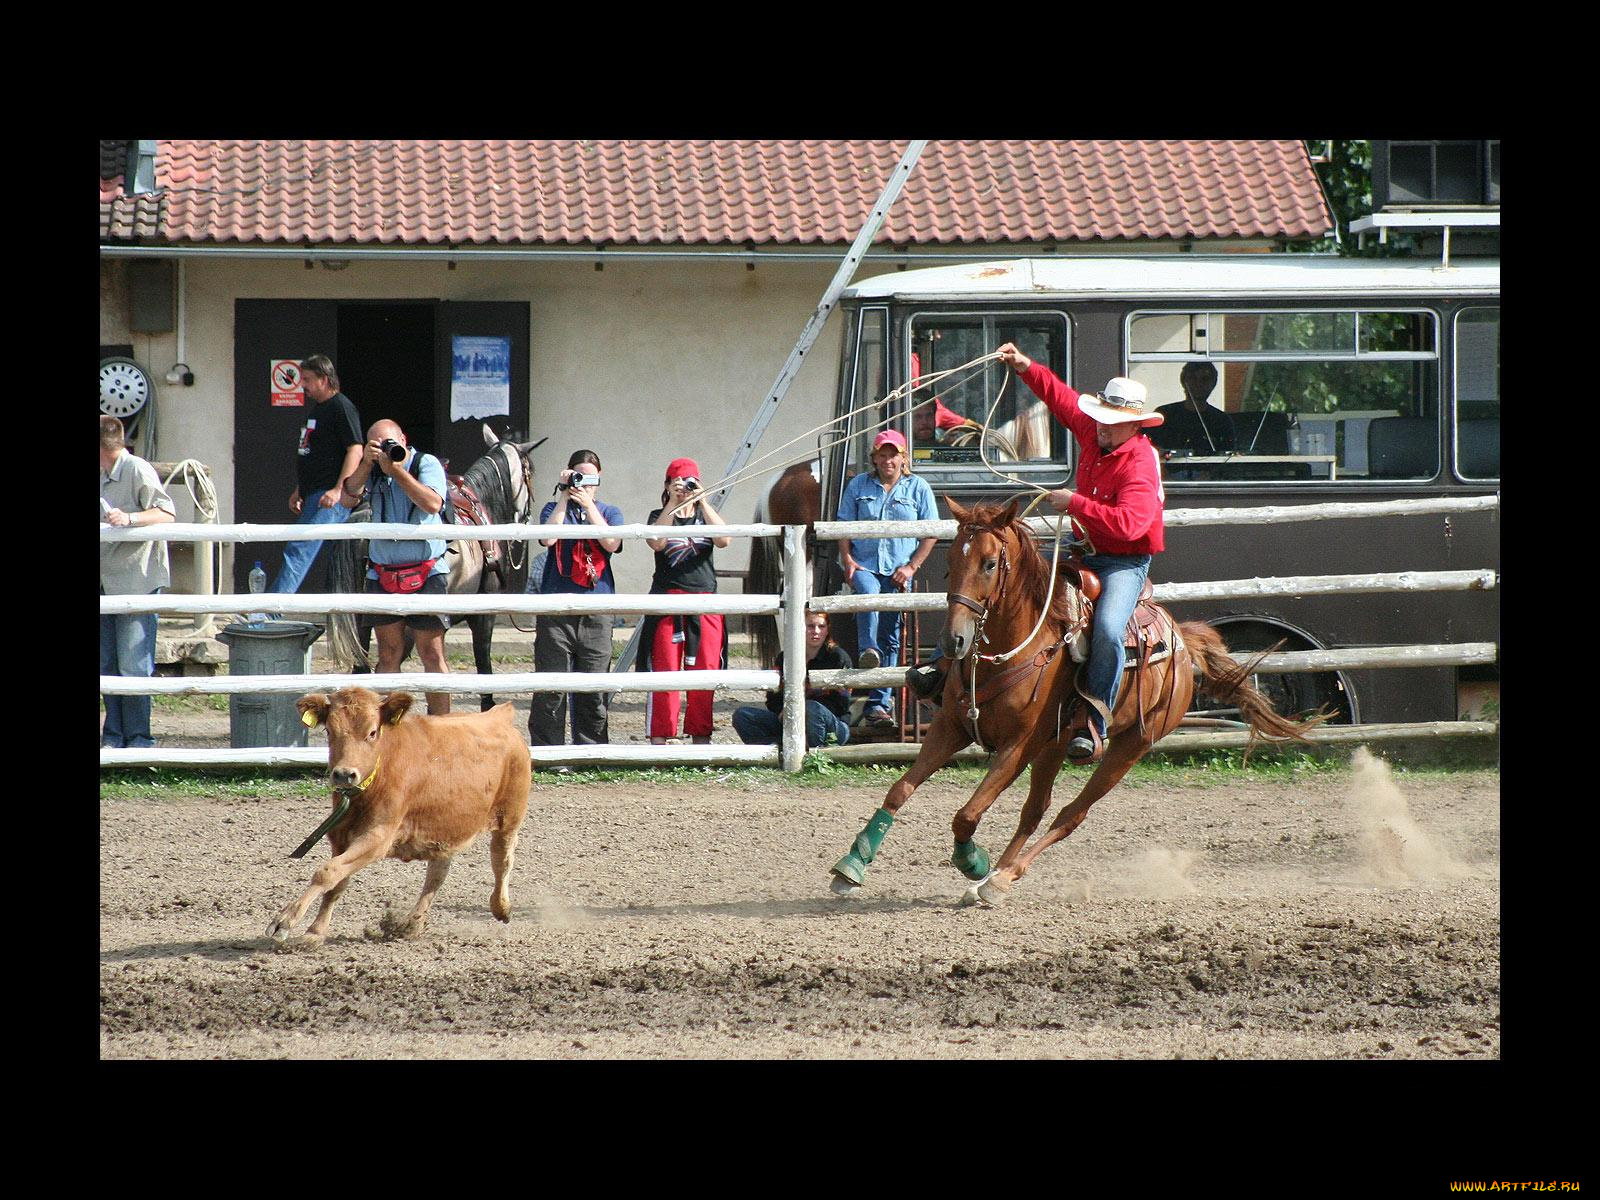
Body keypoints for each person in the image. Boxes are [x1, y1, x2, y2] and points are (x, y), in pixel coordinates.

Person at [998, 341, 1166, 763]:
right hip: (1083, 550)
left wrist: (1075, 504)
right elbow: (1061, 399)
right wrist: (1024, 365)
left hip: (1123, 562)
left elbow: (1131, 526)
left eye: (1110, 422)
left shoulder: (1140, 465)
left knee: (1108, 629)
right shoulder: (1098, 435)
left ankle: (1095, 716)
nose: (1100, 427)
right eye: (1101, 419)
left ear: (1135, 425)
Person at [339, 419, 453, 715]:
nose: (387, 451)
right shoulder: (372, 472)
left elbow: (432, 504)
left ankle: (441, 729)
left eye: (391, 443)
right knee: (388, 652)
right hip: (383, 572)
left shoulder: (425, 463)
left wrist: (397, 471)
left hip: (427, 571)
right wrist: (366, 464)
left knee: (432, 652)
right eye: (379, 446)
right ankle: (385, 733)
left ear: (404, 439)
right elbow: (347, 498)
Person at [835, 429, 937, 728]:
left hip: (898, 570)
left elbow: (931, 531)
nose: (888, 460)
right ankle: (869, 651)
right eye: (882, 454)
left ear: (903, 458)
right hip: (866, 565)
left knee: (892, 635)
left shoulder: (918, 487)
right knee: (869, 598)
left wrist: (912, 567)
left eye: (893, 454)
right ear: (874, 458)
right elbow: (843, 524)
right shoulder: (858, 484)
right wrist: (848, 559)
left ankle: (879, 706)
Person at [527, 450, 624, 748]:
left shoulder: (609, 512)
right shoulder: (553, 508)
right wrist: (564, 497)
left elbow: (612, 541)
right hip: (556, 607)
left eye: (590, 478)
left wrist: (589, 506)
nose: (584, 484)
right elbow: (548, 538)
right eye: (578, 476)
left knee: (593, 686)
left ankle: (591, 752)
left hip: (597, 608)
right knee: (551, 686)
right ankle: (548, 751)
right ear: (567, 475)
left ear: (600, 479)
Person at [639, 457, 731, 745]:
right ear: (666, 485)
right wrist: (671, 504)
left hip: (705, 602)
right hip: (668, 602)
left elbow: (725, 539)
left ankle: (701, 737)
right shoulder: (659, 513)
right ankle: (660, 739)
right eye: (677, 482)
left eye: (690, 482)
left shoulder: (706, 515)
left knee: (704, 672)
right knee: (665, 675)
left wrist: (702, 501)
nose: (684, 488)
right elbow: (656, 541)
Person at [100, 415, 177, 748]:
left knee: (133, 665)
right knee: (107, 664)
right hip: (107, 581)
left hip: (136, 580)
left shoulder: (137, 469)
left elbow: (167, 513)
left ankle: (139, 739)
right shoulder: (104, 474)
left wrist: (129, 518)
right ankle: (115, 736)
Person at [273, 354, 363, 594]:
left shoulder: (341, 407)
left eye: (308, 379)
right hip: (313, 494)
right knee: (305, 547)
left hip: (329, 497)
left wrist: (338, 489)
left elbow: (355, 448)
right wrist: (299, 489)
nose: (303, 385)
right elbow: (312, 453)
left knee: (300, 546)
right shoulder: (318, 410)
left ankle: (268, 611)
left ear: (324, 379)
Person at [732, 610, 852, 749]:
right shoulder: (785, 657)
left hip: (832, 724)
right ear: (801, 627)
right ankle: (781, 748)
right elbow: (773, 697)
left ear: (827, 630)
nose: (816, 631)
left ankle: (815, 754)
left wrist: (802, 709)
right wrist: (783, 710)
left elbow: (842, 703)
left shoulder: (838, 657)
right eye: (810, 626)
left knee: (812, 708)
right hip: (789, 719)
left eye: (821, 626)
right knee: (742, 715)